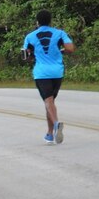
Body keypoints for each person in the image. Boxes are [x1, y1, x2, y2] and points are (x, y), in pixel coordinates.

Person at [23, 9, 76, 144]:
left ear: (37, 22)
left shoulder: (30, 36)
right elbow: (70, 48)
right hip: (57, 72)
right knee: (50, 102)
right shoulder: (60, 33)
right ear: (50, 21)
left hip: (41, 73)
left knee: (48, 101)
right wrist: (59, 51)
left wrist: (33, 56)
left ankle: (56, 124)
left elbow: (26, 56)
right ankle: (49, 134)